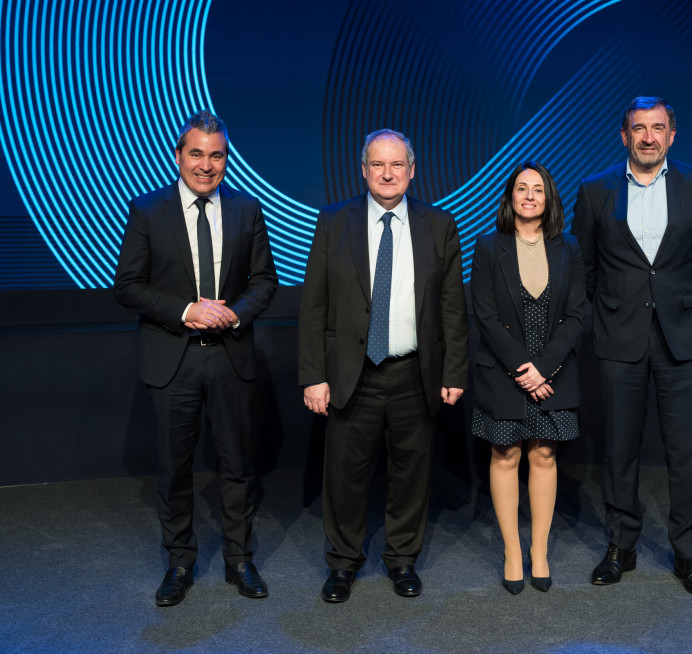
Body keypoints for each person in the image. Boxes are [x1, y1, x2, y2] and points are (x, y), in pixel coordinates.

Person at [114, 110, 279, 606]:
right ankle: (180, 562)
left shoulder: (248, 209)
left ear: (226, 158)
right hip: (173, 360)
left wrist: (233, 315)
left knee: (238, 467)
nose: (206, 165)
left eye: (216, 155)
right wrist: (188, 310)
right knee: (174, 469)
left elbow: (265, 283)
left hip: (230, 358)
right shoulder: (147, 210)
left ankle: (239, 560)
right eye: (197, 154)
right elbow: (128, 286)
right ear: (179, 155)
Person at [298, 128, 469, 603]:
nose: (388, 173)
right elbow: (314, 305)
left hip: (414, 373)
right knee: (344, 476)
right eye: (378, 165)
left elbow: (452, 307)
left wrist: (454, 371)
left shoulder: (440, 224)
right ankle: (343, 563)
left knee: (411, 472)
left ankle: (401, 559)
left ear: (412, 170)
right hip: (352, 374)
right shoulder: (334, 221)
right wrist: (314, 374)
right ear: (363, 170)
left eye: (397, 165)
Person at [571, 96, 692, 597]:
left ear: (671, 135)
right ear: (624, 136)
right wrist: (622, 307)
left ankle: (690, 555)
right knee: (619, 449)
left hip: (681, 339)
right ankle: (621, 547)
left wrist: (679, 303)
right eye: (638, 128)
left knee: (685, 452)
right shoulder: (595, 190)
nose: (647, 137)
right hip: (620, 338)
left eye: (657, 128)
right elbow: (585, 268)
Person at [470, 162, 587, 595]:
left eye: (538, 189)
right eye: (522, 188)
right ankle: (512, 553)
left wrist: (545, 368)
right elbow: (484, 315)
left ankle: (538, 551)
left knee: (543, 456)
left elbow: (577, 314)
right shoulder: (487, 247)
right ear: (511, 196)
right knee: (505, 456)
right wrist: (524, 370)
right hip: (504, 373)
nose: (530, 195)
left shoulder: (569, 247)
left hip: (554, 374)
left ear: (548, 198)